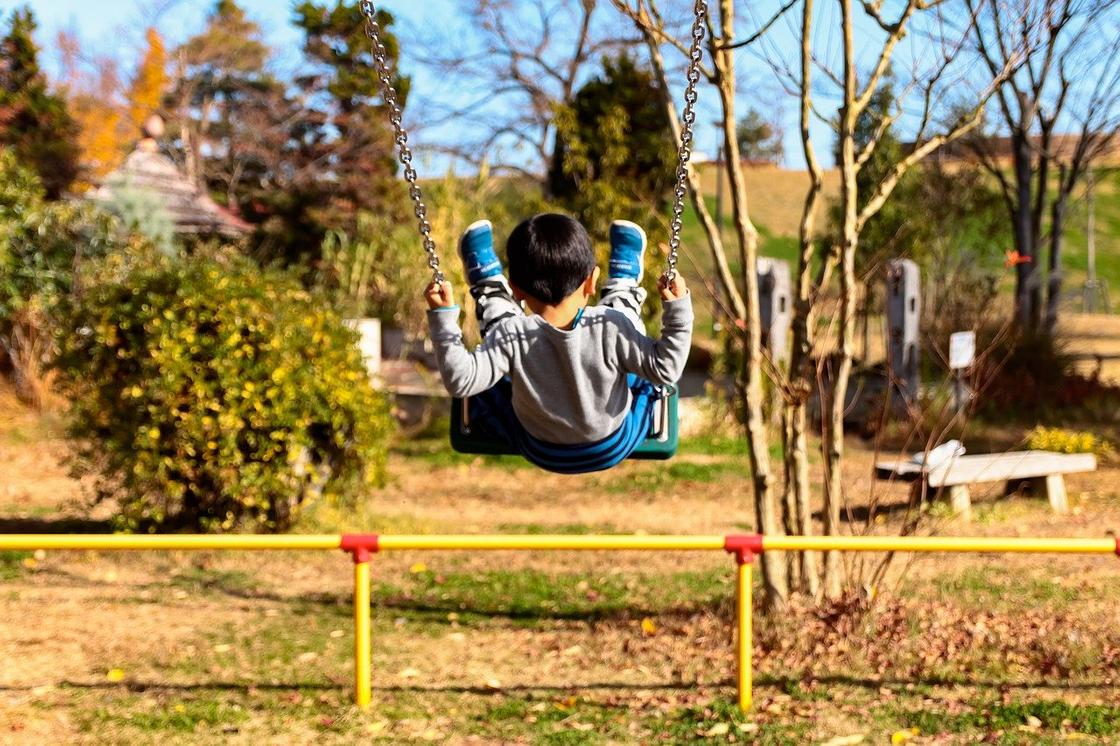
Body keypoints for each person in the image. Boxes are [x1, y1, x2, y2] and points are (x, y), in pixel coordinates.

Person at [425, 213, 693, 473]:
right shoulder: (611, 326)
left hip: (540, 447)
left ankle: (488, 284)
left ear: (516, 290)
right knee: (622, 318)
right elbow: (666, 369)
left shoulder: (512, 334)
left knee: (501, 325)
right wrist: (677, 307)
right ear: (591, 282)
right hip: (611, 445)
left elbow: (461, 381)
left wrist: (442, 318)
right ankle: (623, 283)